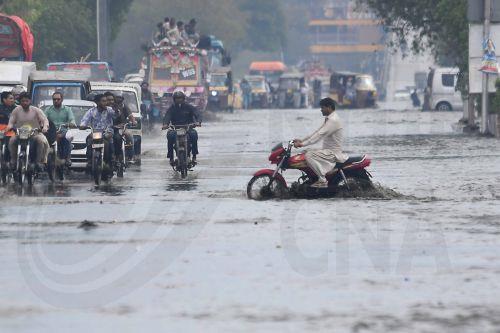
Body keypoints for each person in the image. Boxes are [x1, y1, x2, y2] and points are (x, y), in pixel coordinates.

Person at [293, 97, 348, 188]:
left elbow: (319, 136)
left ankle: (322, 180)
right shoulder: (329, 119)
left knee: (309, 155)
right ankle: (314, 176)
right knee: (305, 152)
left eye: (322, 107)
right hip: (327, 151)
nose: (321, 110)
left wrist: (302, 144)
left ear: (329, 107)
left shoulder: (333, 120)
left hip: (333, 153)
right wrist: (301, 140)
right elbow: (316, 132)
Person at [6, 92, 50, 171]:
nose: (25, 103)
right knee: (12, 140)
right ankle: (14, 161)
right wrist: (8, 128)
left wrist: (45, 127)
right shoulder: (16, 110)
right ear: (20, 101)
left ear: (30, 101)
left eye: (26, 101)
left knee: (41, 140)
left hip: (35, 134)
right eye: (23, 101)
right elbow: (11, 122)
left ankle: (39, 162)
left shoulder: (36, 110)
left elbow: (45, 120)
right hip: (20, 134)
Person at [162, 91, 201, 165]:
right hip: (175, 128)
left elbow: (197, 114)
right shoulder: (172, 108)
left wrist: (198, 122)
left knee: (194, 134)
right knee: (170, 136)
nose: (178, 100)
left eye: (180, 98)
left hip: (188, 128)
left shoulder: (189, 107)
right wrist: (165, 124)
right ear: (174, 99)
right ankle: (171, 157)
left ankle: (194, 156)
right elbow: (167, 116)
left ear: (183, 99)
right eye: (177, 98)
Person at [80, 94, 115, 169]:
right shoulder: (91, 111)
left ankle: (111, 160)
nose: (105, 103)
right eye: (103, 101)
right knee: (88, 139)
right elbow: (84, 121)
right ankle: (89, 160)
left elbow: (116, 114)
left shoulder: (109, 110)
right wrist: (82, 126)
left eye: (106, 101)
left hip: (107, 132)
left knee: (108, 142)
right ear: (97, 102)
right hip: (96, 132)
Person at [43, 92, 76, 166]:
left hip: (63, 130)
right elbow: (43, 119)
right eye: (54, 99)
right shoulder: (48, 109)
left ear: (62, 100)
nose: (56, 101)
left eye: (58, 99)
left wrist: (71, 123)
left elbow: (72, 120)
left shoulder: (67, 109)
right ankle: (43, 159)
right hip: (51, 131)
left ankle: (67, 158)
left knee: (68, 138)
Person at [111, 91, 136, 164]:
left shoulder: (124, 106)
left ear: (122, 98)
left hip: (122, 127)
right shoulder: (110, 107)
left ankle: (130, 155)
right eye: (117, 98)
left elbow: (130, 115)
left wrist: (133, 121)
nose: (118, 99)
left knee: (129, 135)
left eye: (120, 98)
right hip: (111, 127)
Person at [0, 91, 17, 164]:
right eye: (10, 98)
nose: (13, 100)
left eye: (13, 98)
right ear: (4, 99)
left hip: (13, 132)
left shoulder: (17, 108)